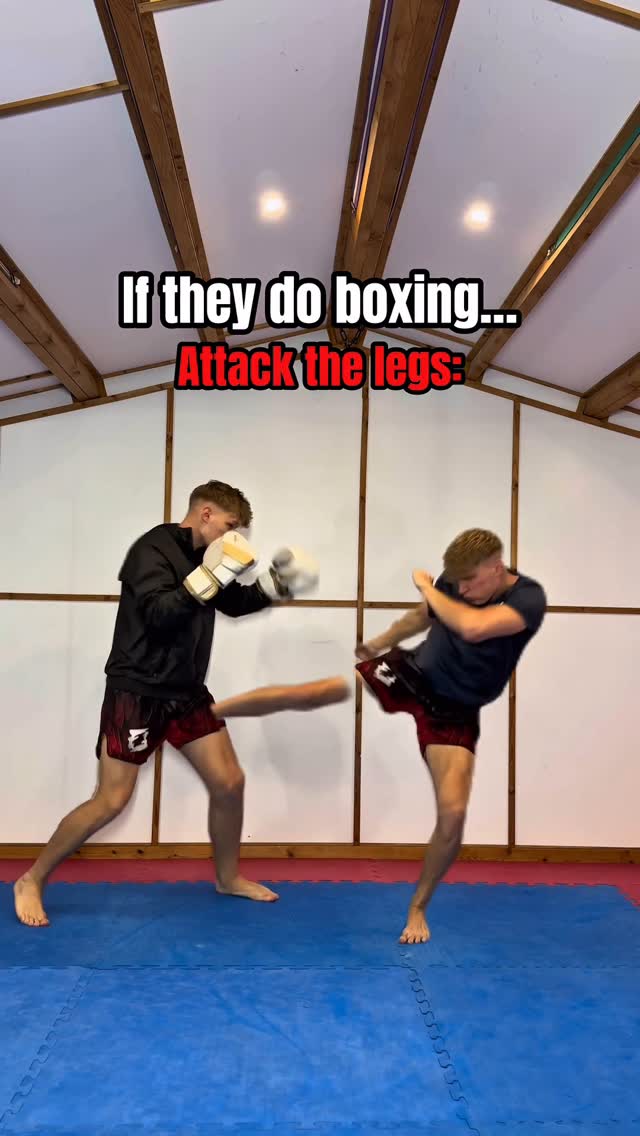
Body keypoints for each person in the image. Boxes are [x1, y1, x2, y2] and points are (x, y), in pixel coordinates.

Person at [14, 479, 343, 927]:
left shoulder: (205, 556)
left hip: (186, 692)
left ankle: (227, 878)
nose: (233, 537)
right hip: (138, 691)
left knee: (229, 782)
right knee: (111, 799)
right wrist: (209, 576)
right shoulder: (151, 550)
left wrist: (276, 584)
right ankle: (31, 879)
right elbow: (159, 615)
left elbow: (235, 602)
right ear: (206, 514)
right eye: (229, 526)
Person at [355, 528, 546, 946]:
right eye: (454, 583)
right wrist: (380, 642)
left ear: (496, 568)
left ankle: (418, 906)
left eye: (469, 582)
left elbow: (473, 627)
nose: (460, 590)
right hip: (412, 674)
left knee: (453, 813)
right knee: (328, 689)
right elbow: (423, 617)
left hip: (453, 711)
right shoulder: (454, 582)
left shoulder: (528, 598)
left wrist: (426, 585)